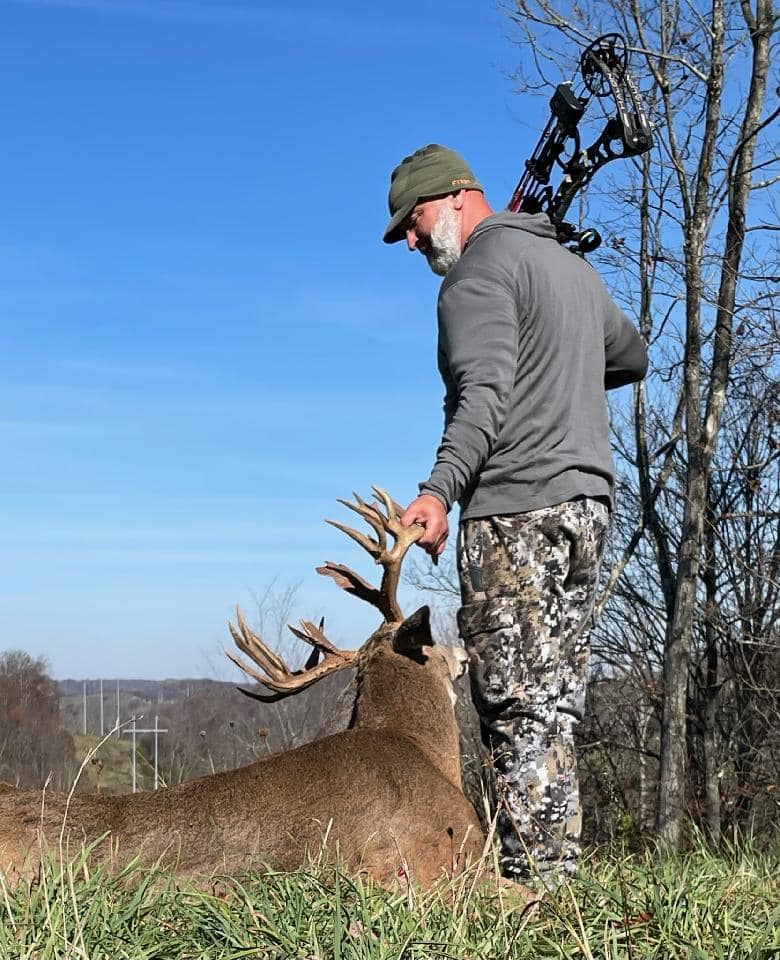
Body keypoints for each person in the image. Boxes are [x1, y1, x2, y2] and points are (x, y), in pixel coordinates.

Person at [383, 143, 648, 886]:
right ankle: (557, 881)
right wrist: (559, 340)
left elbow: (483, 396)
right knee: (555, 701)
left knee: (514, 707)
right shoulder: (570, 268)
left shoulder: (474, 278)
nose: (410, 238)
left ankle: (531, 891)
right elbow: (631, 356)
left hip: (515, 514)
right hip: (587, 510)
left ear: (461, 197)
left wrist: (439, 491)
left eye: (416, 217)